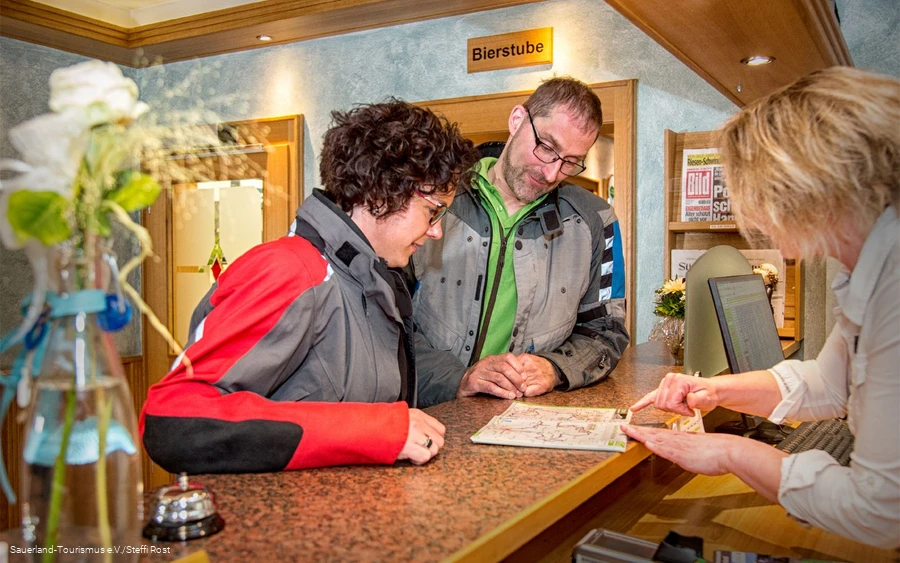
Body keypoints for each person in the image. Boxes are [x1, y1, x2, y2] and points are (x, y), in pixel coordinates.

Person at [623, 67, 899, 549]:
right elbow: (833, 381)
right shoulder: (872, 261)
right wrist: (714, 389)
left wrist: (730, 453)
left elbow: (879, 510)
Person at [141, 100, 479, 473]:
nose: (436, 231)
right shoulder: (291, 269)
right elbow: (173, 419)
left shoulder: (369, 279)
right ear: (381, 195)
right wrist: (375, 430)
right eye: (434, 210)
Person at [411, 77, 629, 406]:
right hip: (426, 410)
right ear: (517, 121)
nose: (552, 173)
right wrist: (458, 378)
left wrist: (556, 367)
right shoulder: (433, 197)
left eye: (570, 161)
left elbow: (606, 329)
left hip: (523, 422)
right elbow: (383, 323)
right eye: (547, 148)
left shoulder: (597, 220)